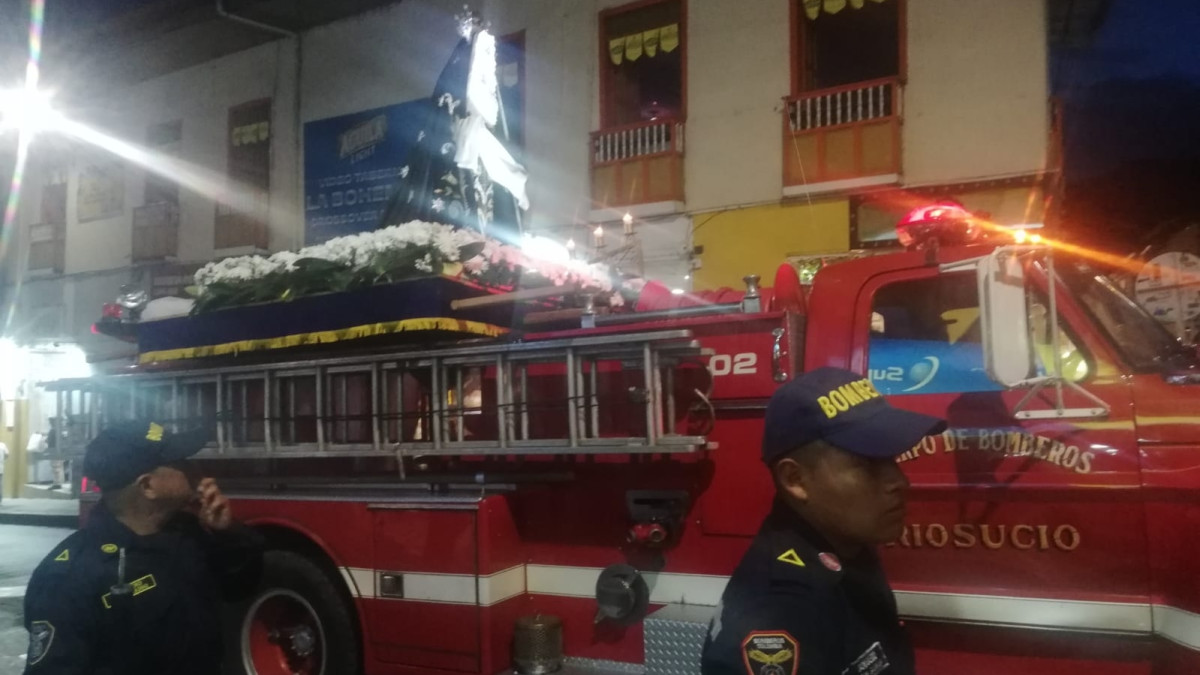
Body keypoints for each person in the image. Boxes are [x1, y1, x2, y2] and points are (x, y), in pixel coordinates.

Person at [701, 367, 945, 675]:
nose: (899, 481)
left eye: (892, 459)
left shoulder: (846, 546)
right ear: (796, 479)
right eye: (867, 464)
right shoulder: (782, 612)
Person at [22, 420, 263, 675]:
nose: (195, 468)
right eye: (179, 462)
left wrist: (227, 534)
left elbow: (240, 587)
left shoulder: (186, 534)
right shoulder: (69, 578)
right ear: (148, 486)